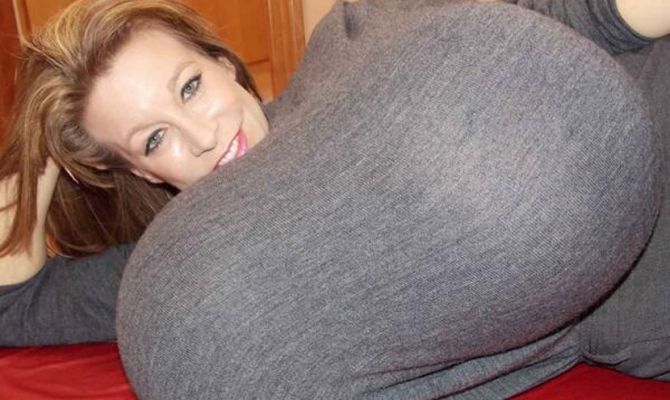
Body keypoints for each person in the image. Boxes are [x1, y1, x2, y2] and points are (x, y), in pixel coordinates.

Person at [0, 0, 668, 398]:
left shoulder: (351, 39)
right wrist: (34, 153)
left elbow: (585, 13)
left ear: (223, 64)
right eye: (154, 138)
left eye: (190, 88)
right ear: (139, 171)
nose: (202, 135)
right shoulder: (196, 268)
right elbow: (15, 307)